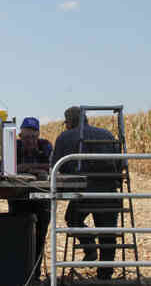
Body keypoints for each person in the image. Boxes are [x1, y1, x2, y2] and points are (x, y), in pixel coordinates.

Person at [51, 106, 122, 281]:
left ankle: (89, 247)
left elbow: (56, 168)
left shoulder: (65, 137)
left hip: (84, 193)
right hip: (109, 192)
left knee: (73, 219)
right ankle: (105, 275)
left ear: (69, 122)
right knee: (108, 234)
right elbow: (120, 165)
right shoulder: (107, 134)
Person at [7, 117, 53, 280]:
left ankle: (35, 275)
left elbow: (53, 165)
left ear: (38, 135)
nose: (30, 141)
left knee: (40, 237)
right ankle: (20, 275)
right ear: (20, 136)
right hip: (19, 197)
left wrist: (27, 167)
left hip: (41, 198)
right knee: (18, 235)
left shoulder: (45, 145)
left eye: (33, 137)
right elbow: (3, 167)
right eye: (26, 137)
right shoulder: (14, 146)